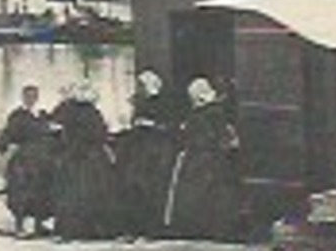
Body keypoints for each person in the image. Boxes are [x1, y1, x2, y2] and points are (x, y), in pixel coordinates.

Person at [162, 77, 243, 241]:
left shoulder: (207, 114)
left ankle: (201, 227)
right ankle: (208, 227)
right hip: (207, 157)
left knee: (202, 192)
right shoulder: (213, 113)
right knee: (208, 193)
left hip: (202, 158)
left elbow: (207, 136)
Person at [114, 70, 179, 239]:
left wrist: (151, 124)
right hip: (139, 151)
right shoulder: (140, 103)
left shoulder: (164, 103)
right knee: (134, 187)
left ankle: (151, 229)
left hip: (156, 152)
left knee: (151, 188)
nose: (139, 88)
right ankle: (134, 228)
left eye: (142, 85)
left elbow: (170, 127)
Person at [49, 83, 119, 241]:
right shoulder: (92, 112)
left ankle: (72, 230)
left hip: (77, 156)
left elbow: (56, 126)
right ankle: (92, 229)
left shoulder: (70, 110)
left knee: (73, 192)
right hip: (88, 157)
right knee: (87, 191)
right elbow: (100, 133)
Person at [0, 85, 57, 238]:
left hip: (43, 159)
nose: (31, 99)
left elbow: (51, 133)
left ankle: (38, 224)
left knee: (42, 191)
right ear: (23, 97)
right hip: (25, 159)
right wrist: (0, 148)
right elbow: (9, 133)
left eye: (34, 96)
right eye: (28, 96)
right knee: (21, 192)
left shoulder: (42, 115)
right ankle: (19, 225)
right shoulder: (17, 115)